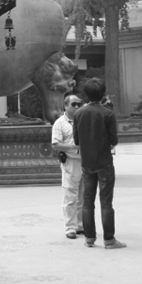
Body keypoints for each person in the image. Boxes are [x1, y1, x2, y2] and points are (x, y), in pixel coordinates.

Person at [72, 78, 125, 250]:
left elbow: (76, 140)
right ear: (102, 94)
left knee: (88, 201)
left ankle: (89, 238)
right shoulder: (107, 113)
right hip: (104, 162)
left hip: (87, 163)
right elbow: (114, 140)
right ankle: (109, 239)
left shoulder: (78, 113)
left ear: (86, 94)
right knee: (106, 202)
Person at [51, 93, 84, 239]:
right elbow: (56, 144)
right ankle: (70, 227)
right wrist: (74, 147)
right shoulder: (60, 123)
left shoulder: (84, 119)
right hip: (71, 162)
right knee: (70, 196)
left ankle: (81, 224)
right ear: (65, 106)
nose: (77, 107)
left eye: (79, 104)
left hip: (86, 162)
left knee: (83, 196)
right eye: (74, 104)